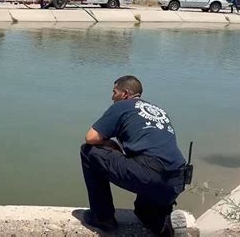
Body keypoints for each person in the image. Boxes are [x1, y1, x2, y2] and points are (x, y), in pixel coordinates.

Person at [80, 75, 188, 236]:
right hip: (177, 179)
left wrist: (112, 145)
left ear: (124, 94)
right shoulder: (158, 110)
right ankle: (168, 225)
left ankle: (103, 218)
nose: (112, 97)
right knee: (143, 212)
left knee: (89, 151)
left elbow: (91, 137)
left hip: (149, 173)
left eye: (114, 92)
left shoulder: (122, 106)